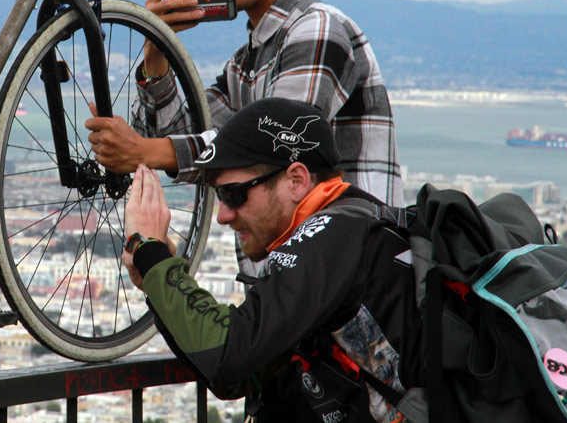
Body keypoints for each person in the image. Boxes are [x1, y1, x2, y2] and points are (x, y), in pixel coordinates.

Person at [85, 0, 404, 209]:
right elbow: (186, 137)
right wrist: (156, 50)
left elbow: (276, 144)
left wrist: (145, 151)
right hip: (310, 240)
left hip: (353, 237)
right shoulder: (243, 65)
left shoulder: (317, 29)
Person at [121, 97, 424, 422]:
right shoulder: (346, 232)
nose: (223, 215)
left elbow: (228, 352)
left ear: (296, 180)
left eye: (233, 194)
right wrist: (157, 281)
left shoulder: (331, 235)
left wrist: (153, 257)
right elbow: (239, 376)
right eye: (219, 196)